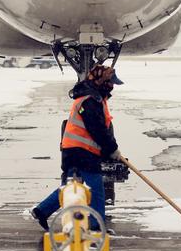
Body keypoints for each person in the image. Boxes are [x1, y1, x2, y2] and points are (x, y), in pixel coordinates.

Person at [31, 64, 124, 231]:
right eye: (111, 83)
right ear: (103, 81)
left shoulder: (91, 97)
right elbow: (97, 129)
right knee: (96, 188)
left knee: (71, 186)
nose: (112, 88)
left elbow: (100, 128)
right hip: (82, 151)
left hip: (73, 150)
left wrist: (109, 148)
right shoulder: (90, 100)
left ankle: (42, 210)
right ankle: (96, 226)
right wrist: (112, 149)